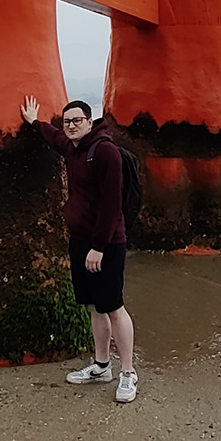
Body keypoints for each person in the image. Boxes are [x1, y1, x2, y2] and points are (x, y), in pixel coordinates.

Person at [20, 95, 138, 403]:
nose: (71, 126)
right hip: (81, 241)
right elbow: (55, 137)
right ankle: (102, 365)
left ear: (90, 121)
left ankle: (128, 372)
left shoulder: (105, 153)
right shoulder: (72, 147)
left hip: (107, 244)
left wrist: (99, 247)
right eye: (67, 121)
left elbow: (112, 205)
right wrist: (34, 122)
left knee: (113, 307)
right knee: (94, 306)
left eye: (77, 121)